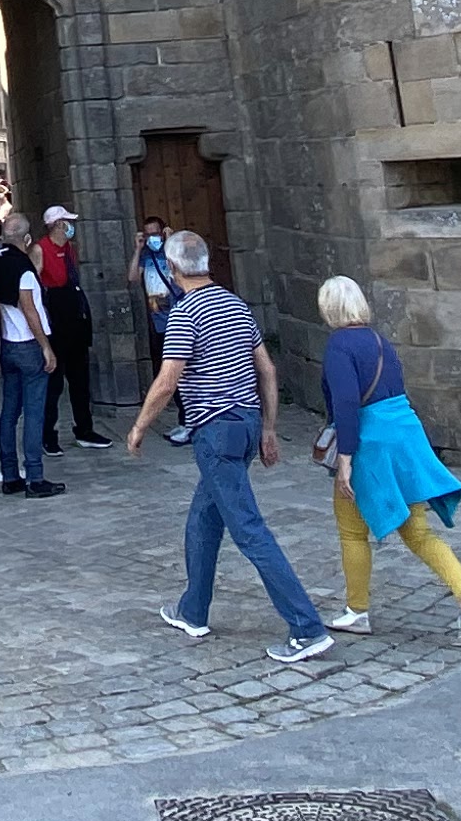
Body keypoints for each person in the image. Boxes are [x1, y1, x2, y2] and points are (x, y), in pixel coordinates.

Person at [122, 234, 332, 663]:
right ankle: (192, 610)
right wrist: (268, 428)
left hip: (216, 431)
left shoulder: (185, 313)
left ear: (174, 271)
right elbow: (266, 369)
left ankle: (306, 627)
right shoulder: (237, 305)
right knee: (203, 519)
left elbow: (167, 380)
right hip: (246, 424)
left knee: (249, 530)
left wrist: (140, 425)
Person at [312, 277, 461, 644]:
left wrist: (345, 459)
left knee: (351, 530)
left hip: (371, 445)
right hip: (404, 437)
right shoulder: (380, 341)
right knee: (417, 531)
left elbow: (346, 404)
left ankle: (357, 610)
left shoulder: (339, 346)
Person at [0, 226, 61, 497]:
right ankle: (35, 477)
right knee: (33, 412)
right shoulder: (24, 269)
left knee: (9, 412)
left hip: (9, 343)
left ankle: (10, 475)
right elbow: (30, 309)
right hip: (29, 345)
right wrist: (46, 347)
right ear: (27, 239)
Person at [35, 207, 109, 449]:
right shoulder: (40, 249)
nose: (71, 226)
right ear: (58, 224)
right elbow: (34, 287)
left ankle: (84, 429)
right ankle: (47, 435)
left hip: (75, 317)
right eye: (67, 221)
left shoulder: (68, 249)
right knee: (54, 383)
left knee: (80, 380)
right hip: (57, 320)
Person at [136, 219, 183, 370]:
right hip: (158, 315)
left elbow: (179, 269)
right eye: (148, 235)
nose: (152, 238)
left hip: (178, 311)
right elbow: (132, 277)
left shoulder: (173, 251)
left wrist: (170, 242)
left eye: (155, 234)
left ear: (162, 233)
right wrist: (138, 249)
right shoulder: (145, 255)